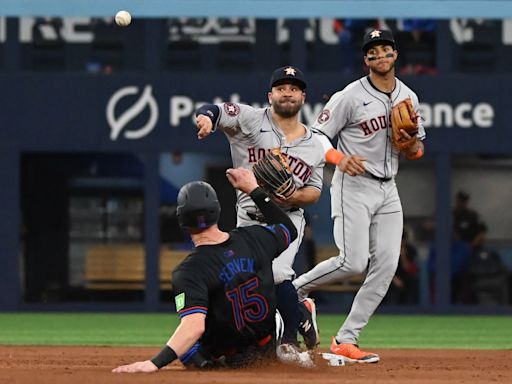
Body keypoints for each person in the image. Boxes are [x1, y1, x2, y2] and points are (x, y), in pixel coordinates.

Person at [292, 29, 426, 363]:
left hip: (388, 187)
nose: (380, 56)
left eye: (385, 50)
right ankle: (295, 290)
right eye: (372, 52)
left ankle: (346, 339)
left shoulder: (408, 96)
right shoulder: (350, 96)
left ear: (395, 54)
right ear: (365, 59)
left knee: (386, 265)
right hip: (353, 184)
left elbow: (417, 149)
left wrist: (411, 144)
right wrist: (339, 158)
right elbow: (317, 136)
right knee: (353, 262)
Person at [113, 168, 314, 373]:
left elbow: (193, 327)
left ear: (182, 221)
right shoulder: (254, 237)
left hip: (231, 356)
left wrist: (153, 363)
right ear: (217, 211)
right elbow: (289, 228)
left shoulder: (189, 271)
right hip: (268, 344)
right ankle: (296, 314)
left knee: (188, 348)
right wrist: (254, 189)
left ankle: (212, 365)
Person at [194, 66, 327, 351]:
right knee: (249, 281)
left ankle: (289, 341)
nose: (287, 93)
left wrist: (295, 194)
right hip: (248, 216)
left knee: (277, 273)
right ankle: (301, 312)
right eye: (281, 88)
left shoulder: (315, 145)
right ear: (271, 95)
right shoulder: (251, 120)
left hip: (286, 218)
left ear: (303, 97)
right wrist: (205, 119)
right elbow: (214, 110)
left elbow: (314, 192)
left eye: (293, 89)